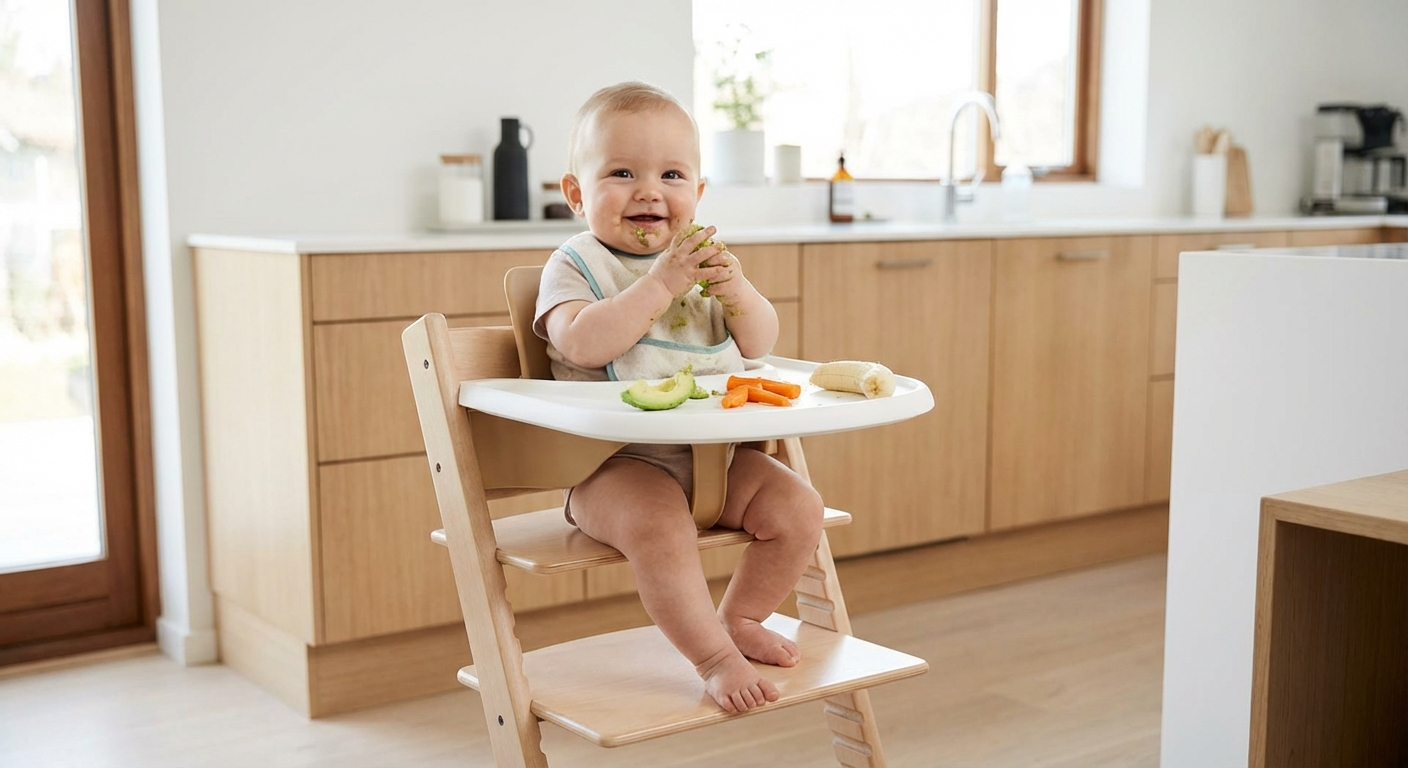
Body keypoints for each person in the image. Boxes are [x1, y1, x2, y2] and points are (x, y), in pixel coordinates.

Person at [533, 81, 824, 713]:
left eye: (671, 173)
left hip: (714, 462)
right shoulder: (575, 265)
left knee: (800, 509)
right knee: (660, 527)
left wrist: (739, 291)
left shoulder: (704, 262)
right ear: (577, 194)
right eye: (621, 172)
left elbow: (758, 346)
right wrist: (660, 286)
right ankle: (714, 657)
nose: (649, 190)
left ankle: (742, 617)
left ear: (696, 193)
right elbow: (582, 344)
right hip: (612, 468)